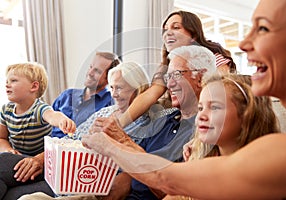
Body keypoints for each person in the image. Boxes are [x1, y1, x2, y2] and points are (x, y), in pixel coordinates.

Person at [81, 0, 286, 199]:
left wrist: (113, 144)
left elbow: (168, 179)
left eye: (263, 27)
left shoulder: (283, 151)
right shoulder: (168, 110)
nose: (243, 43)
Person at [84, 45, 216, 200]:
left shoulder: (205, 131)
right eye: (168, 77)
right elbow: (134, 166)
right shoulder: (164, 119)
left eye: (177, 75)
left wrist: (119, 140)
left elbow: (174, 191)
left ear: (200, 77)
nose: (169, 84)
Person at [18, 61, 153, 200]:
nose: (113, 95)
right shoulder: (106, 112)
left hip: (88, 183)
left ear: (137, 89)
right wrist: (41, 159)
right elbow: (72, 138)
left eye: (119, 88)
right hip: (63, 175)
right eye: (112, 88)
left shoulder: (148, 123)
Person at [164, 74, 279, 200]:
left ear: (247, 114)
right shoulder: (200, 159)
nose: (201, 116)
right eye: (200, 108)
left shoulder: (265, 173)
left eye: (214, 107)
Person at [117, 10, 236, 129]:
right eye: (165, 30)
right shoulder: (168, 64)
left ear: (193, 35)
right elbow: (150, 94)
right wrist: (118, 125)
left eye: (176, 27)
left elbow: (222, 92)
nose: (168, 33)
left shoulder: (213, 58)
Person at [0, 63, 76, 200]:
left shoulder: (39, 108)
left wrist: (62, 121)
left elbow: (52, 115)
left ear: (34, 86)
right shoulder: (6, 110)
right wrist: (8, 150)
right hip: (17, 159)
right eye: (7, 81)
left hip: (41, 165)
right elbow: (1, 138)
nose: (7, 84)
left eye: (13, 80)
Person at [51, 51, 120, 138]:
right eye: (91, 67)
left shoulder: (110, 104)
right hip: (49, 148)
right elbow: (46, 125)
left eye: (97, 71)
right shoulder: (67, 95)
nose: (90, 73)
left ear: (109, 78)